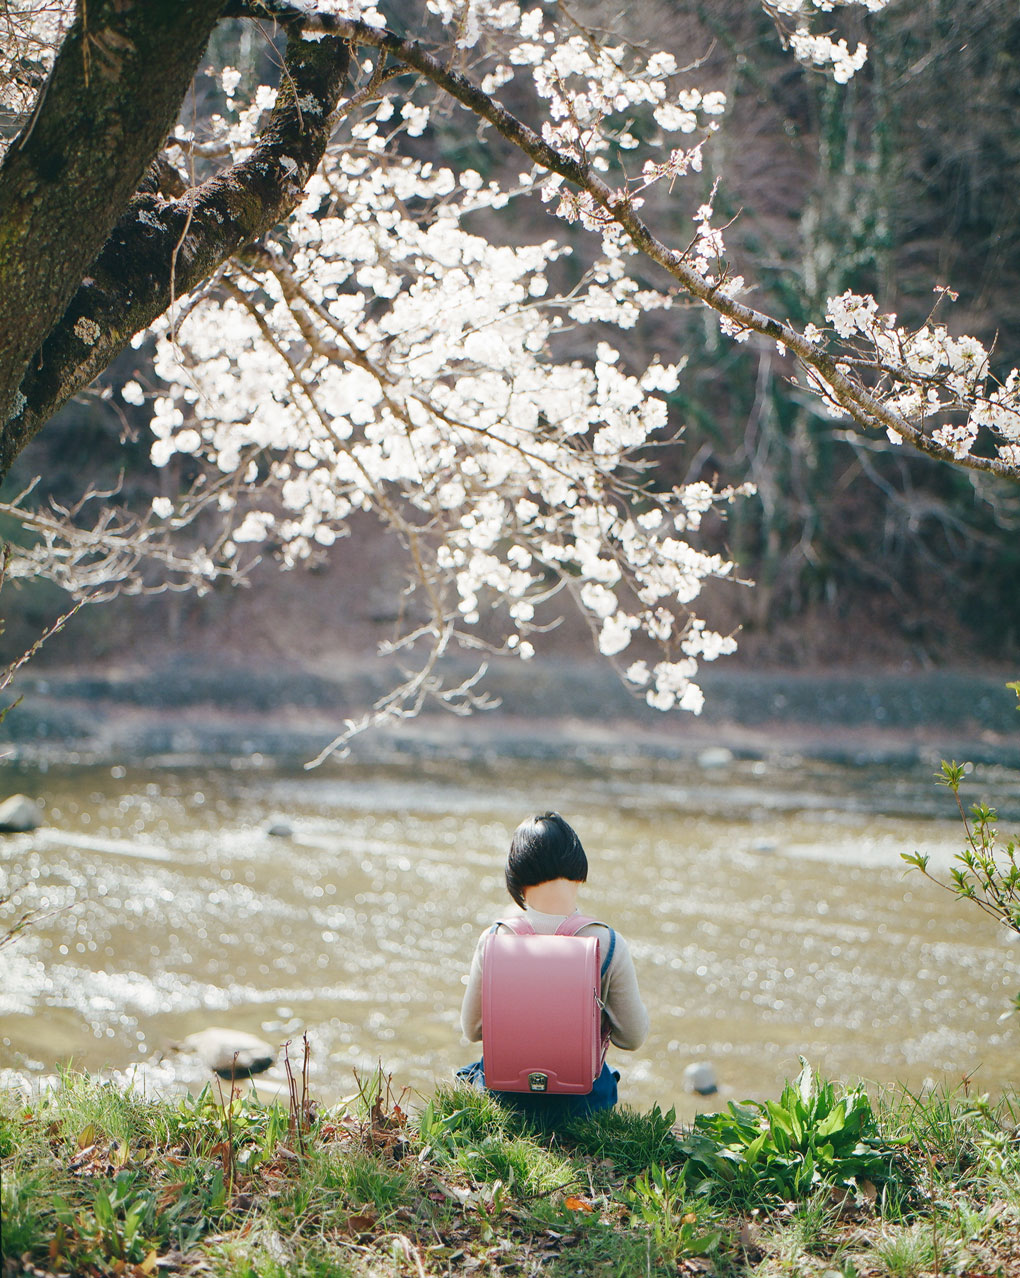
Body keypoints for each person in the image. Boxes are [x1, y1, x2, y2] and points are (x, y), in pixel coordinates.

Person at [458, 811, 648, 1122]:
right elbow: (632, 1037)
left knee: (468, 1074)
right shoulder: (608, 943)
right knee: (607, 1075)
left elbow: (472, 1029)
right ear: (579, 872)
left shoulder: (494, 938)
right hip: (581, 1106)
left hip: (506, 1100)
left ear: (516, 878)